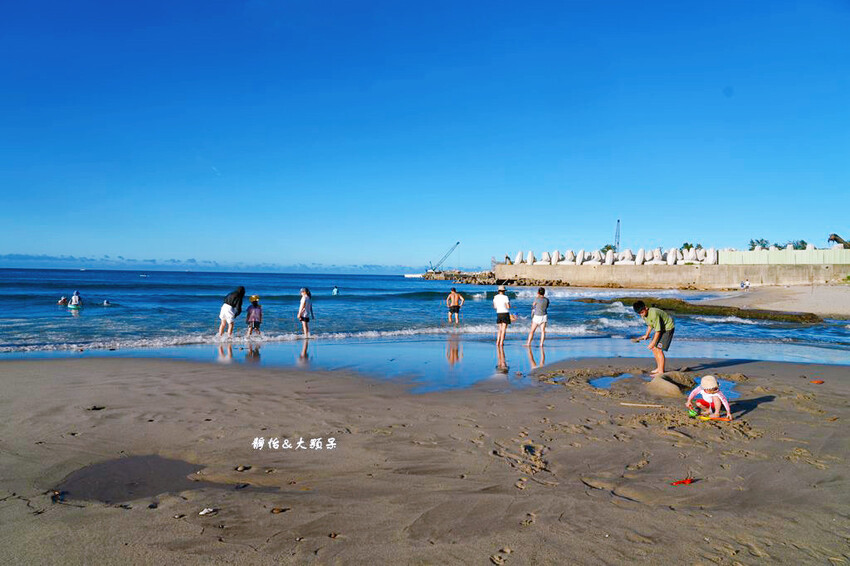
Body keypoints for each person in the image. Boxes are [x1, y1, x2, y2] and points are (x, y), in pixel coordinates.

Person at [632, 300, 675, 375]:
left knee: (659, 349)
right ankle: (659, 368)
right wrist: (647, 334)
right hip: (661, 328)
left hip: (667, 328)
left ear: (646, 308)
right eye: (639, 313)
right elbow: (650, 325)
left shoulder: (654, 313)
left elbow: (658, 330)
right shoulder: (644, 315)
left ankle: (661, 372)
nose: (641, 315)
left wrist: (653, 342)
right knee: (654, 349)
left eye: (642, 312)